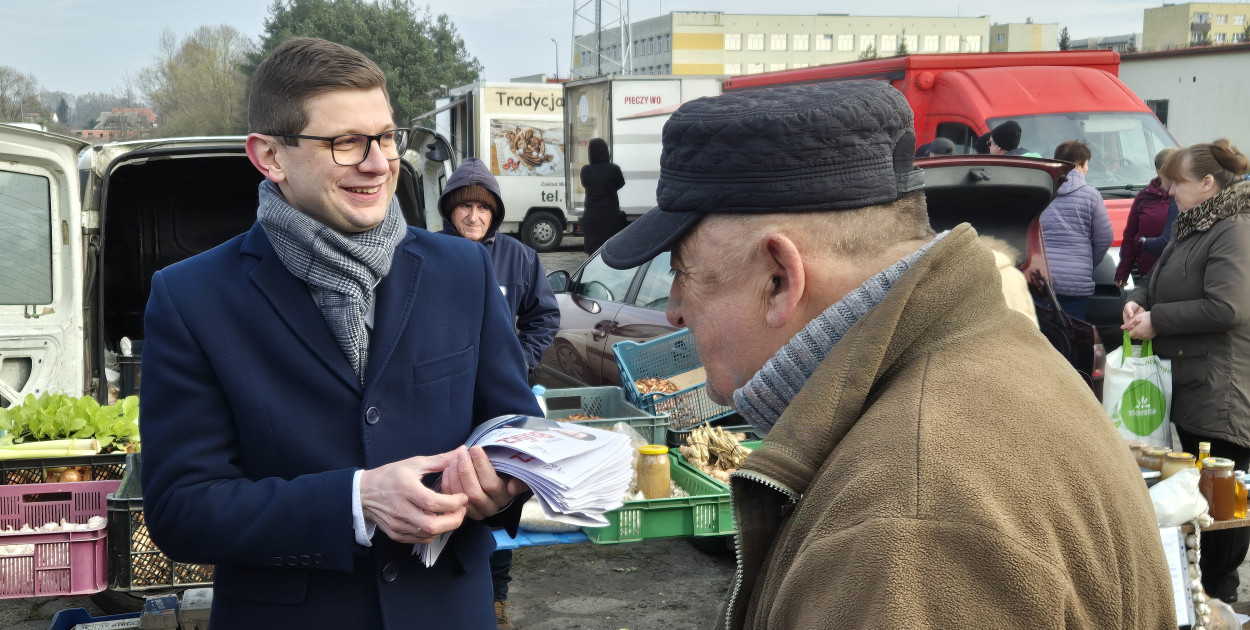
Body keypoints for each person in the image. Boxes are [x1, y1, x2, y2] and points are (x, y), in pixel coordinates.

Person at [601, 80, 1174, 629]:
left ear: (779, 279)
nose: (674, 309)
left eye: (683, 274)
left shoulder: (907, 525)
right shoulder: (995, 350)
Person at [139, 38, 540, 630]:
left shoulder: (463, 270)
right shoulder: (191, 298)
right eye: (346, 143)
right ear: (270, 156)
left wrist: (504, 483)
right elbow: (182, 510)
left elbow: (511, 425)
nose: (378, 163)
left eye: (385, 137)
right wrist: (355, 500)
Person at [1123, 138, 1250, 604]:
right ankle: (1208, 594)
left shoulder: (1234, 229)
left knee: (1224, 501)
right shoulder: (1194, 227)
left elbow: (1229, 307)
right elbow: (1165, 285)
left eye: (1177, 182)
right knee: (1205, 493)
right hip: (1195, 383)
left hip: (1225, 388)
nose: (1170, 191)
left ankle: (1221, 596)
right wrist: (1139, 302)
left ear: (1207, 184)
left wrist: (1159, 321)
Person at [437, 156, 560, 630]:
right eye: (463, 206)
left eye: (483, 208)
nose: (473, 216)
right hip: (444, 400)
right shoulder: (425, 252)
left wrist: (520, 362)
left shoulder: (519, 257)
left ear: (495, 213)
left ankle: (496, 600)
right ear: (449, 210)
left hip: (500, 408)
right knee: (449, 489)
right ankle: (444, 590)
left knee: (500, 492)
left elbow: (544, 316)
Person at [1039, 139, 1114, 321]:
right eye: (1086, 164)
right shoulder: (1091, 195)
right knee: (1073, 334)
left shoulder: (1042, 191)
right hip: (1075, 282)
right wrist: (1087, 263)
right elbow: (1105, 237)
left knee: (1044, 337)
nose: (1087, 169)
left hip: (1042, 279)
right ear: (1079, 164)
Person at [1115, 147, 1178, 287]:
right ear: (1159, 171)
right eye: (1171, 171)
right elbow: (1130, 234)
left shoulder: (1186, 197)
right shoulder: (1144, 197)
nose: (1176, 176)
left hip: (1177, 272)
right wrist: (1123, 270)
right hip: (1147, 270)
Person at [579, 138, 628, 254]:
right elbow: (621, 183)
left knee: (593, 255)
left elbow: (585, 184)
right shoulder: (614, 169)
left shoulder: (586, 171)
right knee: (611, 253)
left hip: (592, 220)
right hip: (611, 219)